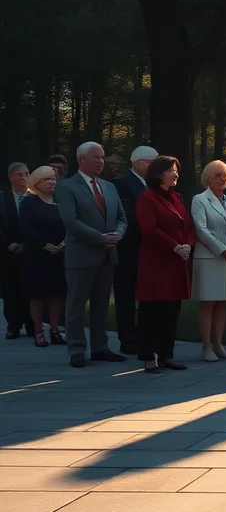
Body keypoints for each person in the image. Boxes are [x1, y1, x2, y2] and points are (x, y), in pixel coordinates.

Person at [56, 142, 127, 367]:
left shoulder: (109, 187)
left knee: (101, 304)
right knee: (76, 304)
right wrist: (101, 237)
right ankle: (76, 348)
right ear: (81, 160)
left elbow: (122, 218)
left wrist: (117, 234)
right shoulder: (66, 186)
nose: (101, 162)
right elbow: (71, 221)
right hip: (81, 256)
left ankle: (100, 347)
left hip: (107, 255)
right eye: (96, 157)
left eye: (103, 157)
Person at [135, 156, 193, 372]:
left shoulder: (177, 197)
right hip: (156, 263)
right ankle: (148, 356)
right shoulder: (147, 198)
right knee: (152, 310)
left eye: (177, 170)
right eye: (172, 170)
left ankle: (167, 354)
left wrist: (186, 245)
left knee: (171, 309)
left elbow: (187, 225)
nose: (176, 174)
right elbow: (149, 230)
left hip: (177, 261)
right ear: (159, 173)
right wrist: (174, 246)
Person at [192, 160, 226, 362]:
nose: (222, 179)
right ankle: (206, 345)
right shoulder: (200, 200)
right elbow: (200, 229)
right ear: (208, 178)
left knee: (222, 302)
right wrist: (222, 250)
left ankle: (219, 344)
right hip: (209, 257)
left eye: (224, 175)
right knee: (209, 302)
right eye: (217, 175)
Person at [112, 145, 157, 356]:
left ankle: (146, 336)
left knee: (149, 296)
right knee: (126, 295)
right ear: (137, 163)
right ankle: (128, 340)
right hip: (129, 248)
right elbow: (128, 215)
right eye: (151, 162)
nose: (155, 167)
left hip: (150, 249)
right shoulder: (122, 183)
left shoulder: (154, 184)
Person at [20, 167, 66, 347]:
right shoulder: (28, 202)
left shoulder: (60, 201)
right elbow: (26, 227)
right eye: (47, 179)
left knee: (55, 295)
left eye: (53, 179)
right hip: (36, 255)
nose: (51, 182)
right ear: (37, 182)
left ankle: (55, 330)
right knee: (37, 295)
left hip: (57, 254)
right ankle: (38, 332)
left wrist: (61, 245)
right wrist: (45, 245)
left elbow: (69, 223)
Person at [0, 162, 34, 339]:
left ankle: (31, 324)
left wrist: (27, 244)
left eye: (27, 174)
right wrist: (9, 244)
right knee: (10, 288)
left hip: (31, 250)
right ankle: (13, 325)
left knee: (30, 287)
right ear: (11, 177)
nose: (24, 178)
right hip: (8, 252)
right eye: (20, 175)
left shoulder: (34, 197)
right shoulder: (2, 198)